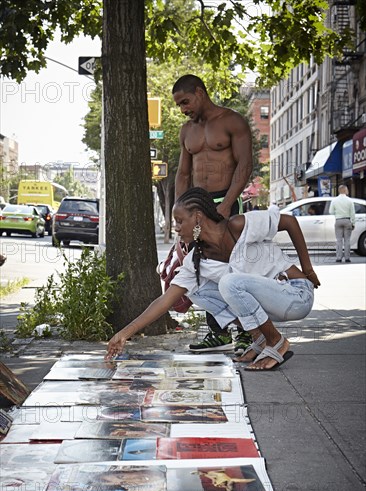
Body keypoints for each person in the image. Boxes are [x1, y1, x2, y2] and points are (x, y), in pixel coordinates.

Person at [106, 188, 320, 371]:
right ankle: (260, 337)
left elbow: (290, 222)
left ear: (198, 217)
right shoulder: (196, 260)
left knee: (230, 283)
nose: (176, 228)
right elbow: (164, 301)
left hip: (295, 295)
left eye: (180, 221)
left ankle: (276, 341)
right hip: (269, 305)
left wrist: (308, 271)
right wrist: (124, 334)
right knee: (196, 288)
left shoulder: (238, 225)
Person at [172, 74, 253, 355]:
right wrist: (179, 214)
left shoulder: (232, 121)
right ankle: (217, 332)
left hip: (227, 202)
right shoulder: (187, 131)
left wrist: (228, 203)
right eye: (179, 105)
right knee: (202, 269)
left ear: (199, 92)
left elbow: (245, 165)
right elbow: (183, 174)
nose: (183, 108)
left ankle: (246, 332)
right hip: (197, 206)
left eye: (185, 101)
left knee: (235, 267)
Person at [329, 184, 356, 263]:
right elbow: (352, 213)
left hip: (338, 221)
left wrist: (337, 214)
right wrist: (353, 223)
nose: (348, 191)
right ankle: (347, 258)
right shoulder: (350, 200)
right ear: (344, 190)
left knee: (339, 240)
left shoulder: (334, 200)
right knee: (347, 240)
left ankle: (338, 258)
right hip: (347, 221)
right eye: (347, 189)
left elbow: (331, 212)